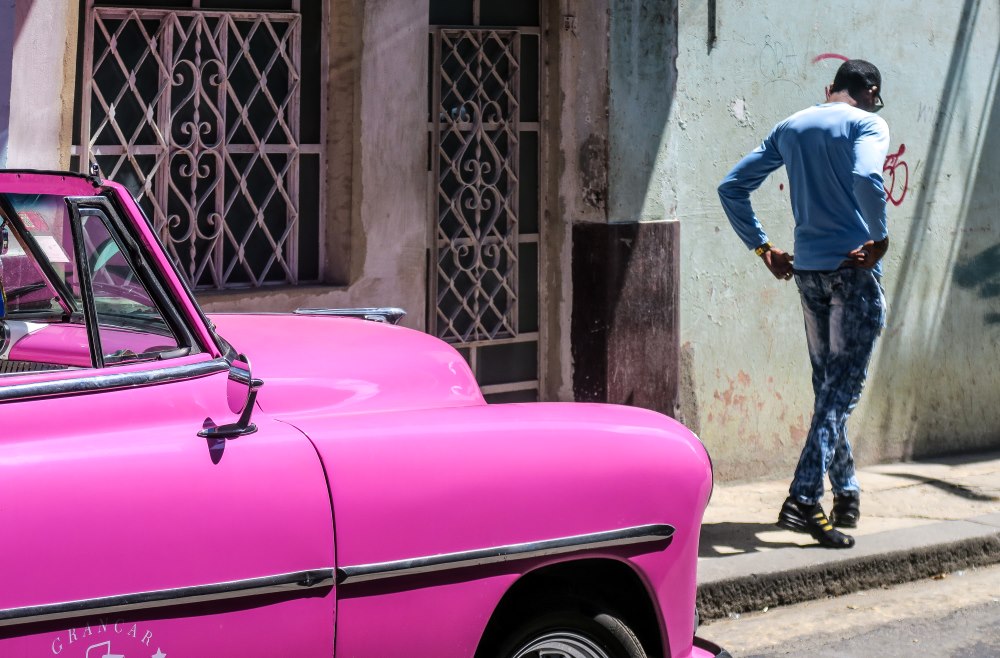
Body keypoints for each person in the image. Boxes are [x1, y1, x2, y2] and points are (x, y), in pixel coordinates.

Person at [717, 59, 890, 549]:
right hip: (853, 273)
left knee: (828, 388)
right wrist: (877, 239)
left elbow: (732, 187)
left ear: (828, 88)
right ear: (870, 91)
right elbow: (867, 180)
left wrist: (763, 247)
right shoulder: (868, 122)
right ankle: (804, 497)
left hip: (809, 273)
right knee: (842, 391)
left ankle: (847, 492)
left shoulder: (791, 126)